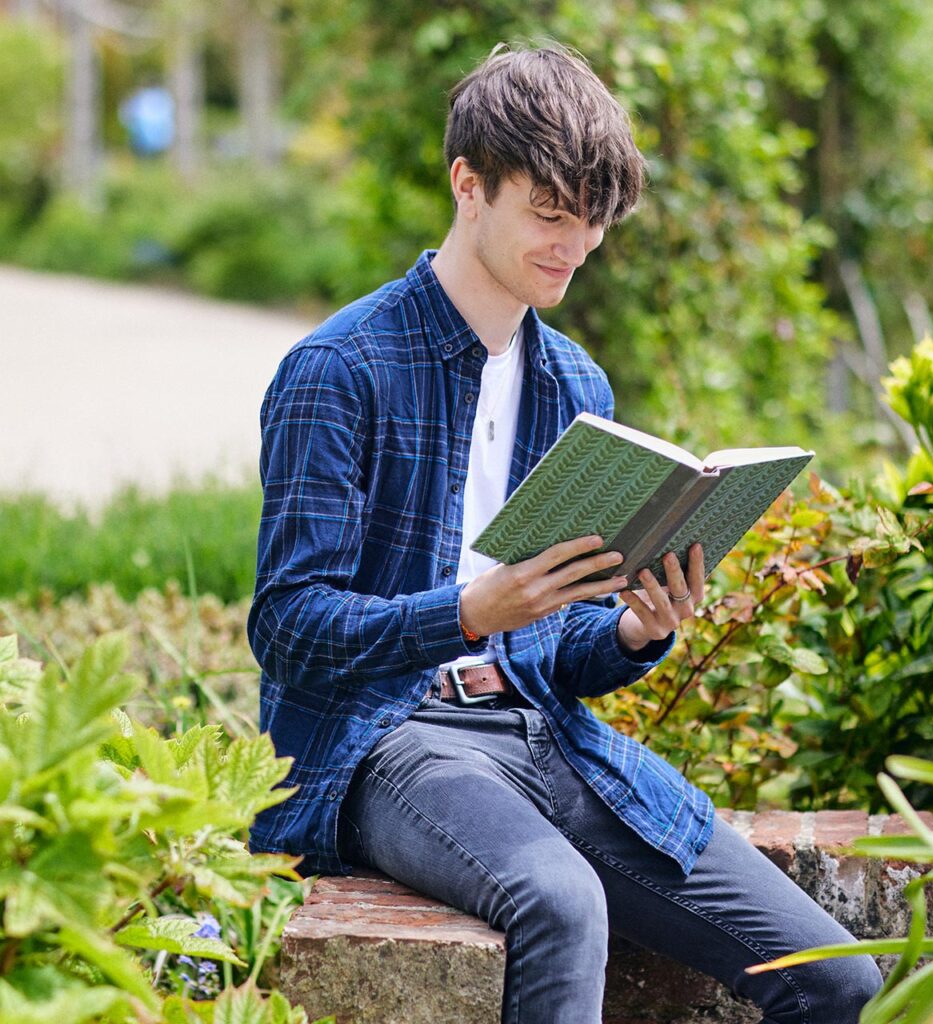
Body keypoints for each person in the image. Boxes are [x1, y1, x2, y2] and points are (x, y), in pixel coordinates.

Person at [247, 43, 882, 1024]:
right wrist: (465, 612)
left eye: (592, 219)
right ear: (470, 185)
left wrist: (634, 630)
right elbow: (288, 627)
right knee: (561, 901)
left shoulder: (572, 385)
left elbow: (551, 650)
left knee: (836, 974)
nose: (574, 242)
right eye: (549, 210)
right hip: (390, 740)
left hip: (544, 735)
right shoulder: (339, 369)